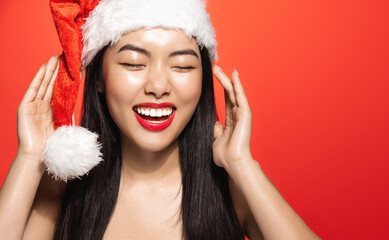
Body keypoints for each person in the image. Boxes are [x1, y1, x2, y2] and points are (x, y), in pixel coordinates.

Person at [0, 0, 322, 239]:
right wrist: (29, 157)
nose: (158, 87)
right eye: (134, 63)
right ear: (99, 78)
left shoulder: (232, 189)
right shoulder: (61, 192)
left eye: (181, 66)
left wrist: (242, 164)